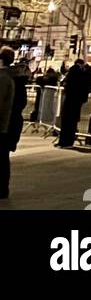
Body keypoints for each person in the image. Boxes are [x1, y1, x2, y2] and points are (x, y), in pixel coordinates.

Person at [56, 58, 91, 148]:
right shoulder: (81, 72)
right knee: (71, 121)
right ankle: (67, 141)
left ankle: (64, 141)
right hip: (76, 99)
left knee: (67, 120)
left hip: (71, 98)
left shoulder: (74, 71)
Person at [0, 47, 22, 199]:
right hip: (11, 124)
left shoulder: (3, 78)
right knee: (3, 157)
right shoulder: (17, 78)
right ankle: (3, 188)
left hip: (2, 125)